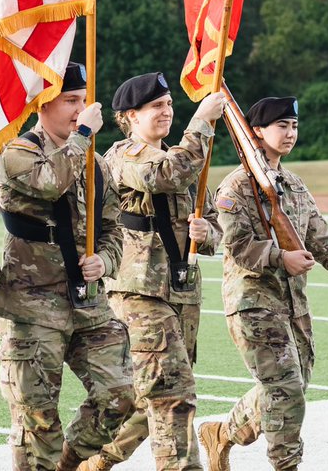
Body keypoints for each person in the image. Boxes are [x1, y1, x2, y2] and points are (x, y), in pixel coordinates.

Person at [199, 96, 328, 471]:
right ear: (257, 133)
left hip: (292, 304)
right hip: (253, 302)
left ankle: (222, 433)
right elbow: (237, 245)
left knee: (288, 387)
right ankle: (286, 465)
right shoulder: (235, 188)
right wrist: (282, 258)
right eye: (282, 126)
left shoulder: (293, 186)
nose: (290, 133)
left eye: (294, 126)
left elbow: (321, 239)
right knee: (286, 391)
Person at [0, 62, 135, 471]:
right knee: (37, 419)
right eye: (70, 100)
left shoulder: (97, 164)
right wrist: (84, 135)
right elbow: (52, 181)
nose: (80, 108)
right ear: (43, 104)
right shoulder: (19, 153)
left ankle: (67, 464)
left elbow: (113, 230)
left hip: (87, 302)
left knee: (120, 395)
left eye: (83, 100)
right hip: (32, 304)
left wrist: (104, 259)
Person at [87, 73, 226, 471]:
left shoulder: (186, 158)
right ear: (130, 116)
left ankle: (90, 460)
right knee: (172, 395)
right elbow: (166, 175)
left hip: (182, 293)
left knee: (145, 396)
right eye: (156, 107)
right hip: (140, 293)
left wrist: (208, 233)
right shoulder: (124, 156)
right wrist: (201, 123)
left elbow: (217, 223)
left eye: (169, 105)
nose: (166, 112)